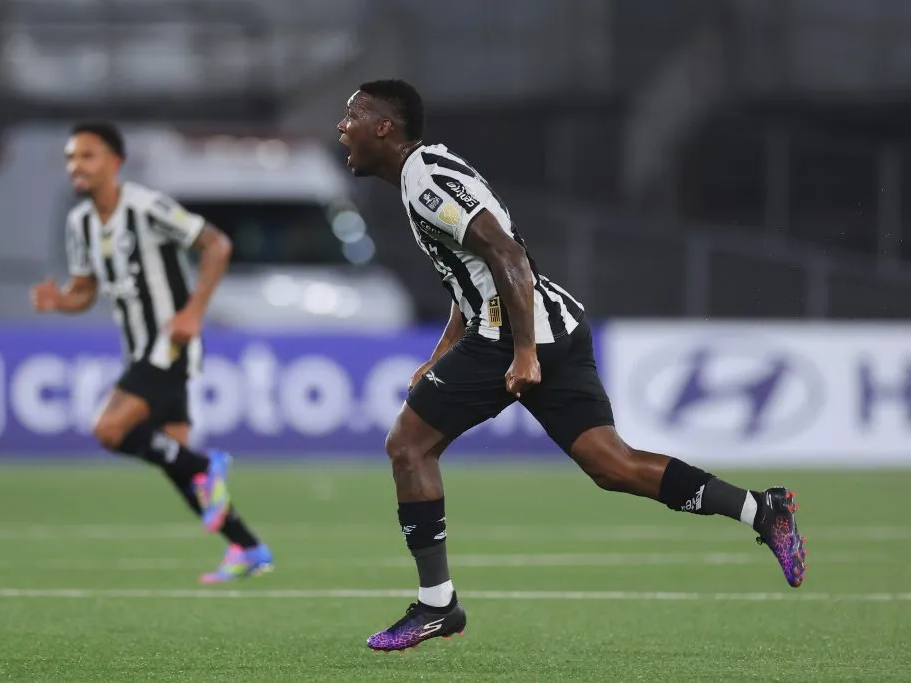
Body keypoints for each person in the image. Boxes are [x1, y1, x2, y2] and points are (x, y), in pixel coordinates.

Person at [337, 80, 807, 652]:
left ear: (384, 128)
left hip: (514, 335)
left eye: (353, 115)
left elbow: (507, 255)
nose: (343, 126)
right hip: (554, 323)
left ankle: (439, 606)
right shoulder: (428, 173)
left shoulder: (425, 179)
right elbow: (475, 274)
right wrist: (440, 355)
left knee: (407, 445)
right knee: (613, 465)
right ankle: (763, 511)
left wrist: (524, 352)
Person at [30, 121, 273, 583]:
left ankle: (209, 465)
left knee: (111, 429)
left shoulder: (146, 206)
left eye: (87, 156)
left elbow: (217, 244)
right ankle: (247, 546)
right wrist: (61, 300)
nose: (75, 166)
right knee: (173, 459)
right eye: (70, 158)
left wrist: (194, 312)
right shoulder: (80, 222)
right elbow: (85, 289)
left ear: (114, 162)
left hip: (170, 343)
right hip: (138, 348)